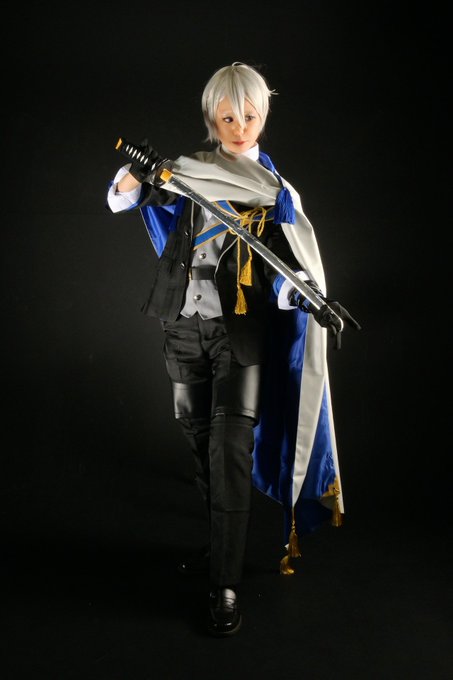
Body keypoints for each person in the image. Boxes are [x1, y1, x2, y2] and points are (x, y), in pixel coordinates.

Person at [106, 62, 360, 637]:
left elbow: (286, 271)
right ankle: (221, 543)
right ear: (211, 118)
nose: (240, 127)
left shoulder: (273, 192)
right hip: (182, 327)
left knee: (230, 452)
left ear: (263, 115)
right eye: (228, 117)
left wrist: (308, 298)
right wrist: (133, 173)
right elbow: (121, 201)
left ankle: (225, 582)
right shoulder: (186, 172)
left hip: (239, 336)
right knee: (201, 447)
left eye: (249, 116)